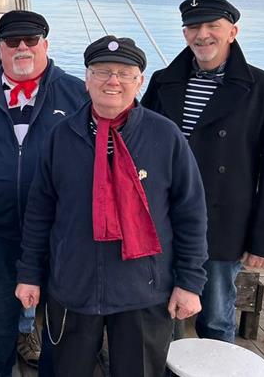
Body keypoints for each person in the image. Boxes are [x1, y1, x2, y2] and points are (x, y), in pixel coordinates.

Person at [16, 35, 209, 377]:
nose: (113, 81)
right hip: (72, 287)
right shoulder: (61, 137)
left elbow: (190, 214)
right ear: (87, 78)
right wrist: (30, 274)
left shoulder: (165, 137)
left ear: (140, 81)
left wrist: (190, 282)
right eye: (103, 71)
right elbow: (39, 213)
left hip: (143, 290)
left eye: (124, 72)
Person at [141, 0, 264, 343]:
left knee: (215, 317)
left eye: (213, 26)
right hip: (163, 220)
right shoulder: (164, 82)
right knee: (161, 312)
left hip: (223, 224)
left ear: (233, 32)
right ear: (184, 33)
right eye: (194, 27)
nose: (203, 35)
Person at [0, 10, 85, 376]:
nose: (22, 47)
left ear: (45, 44)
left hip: (60, 232)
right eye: (12, 41)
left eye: (31, 40)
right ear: (0, 47)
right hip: (0, 228)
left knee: (59, 312)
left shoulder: (77, 94)